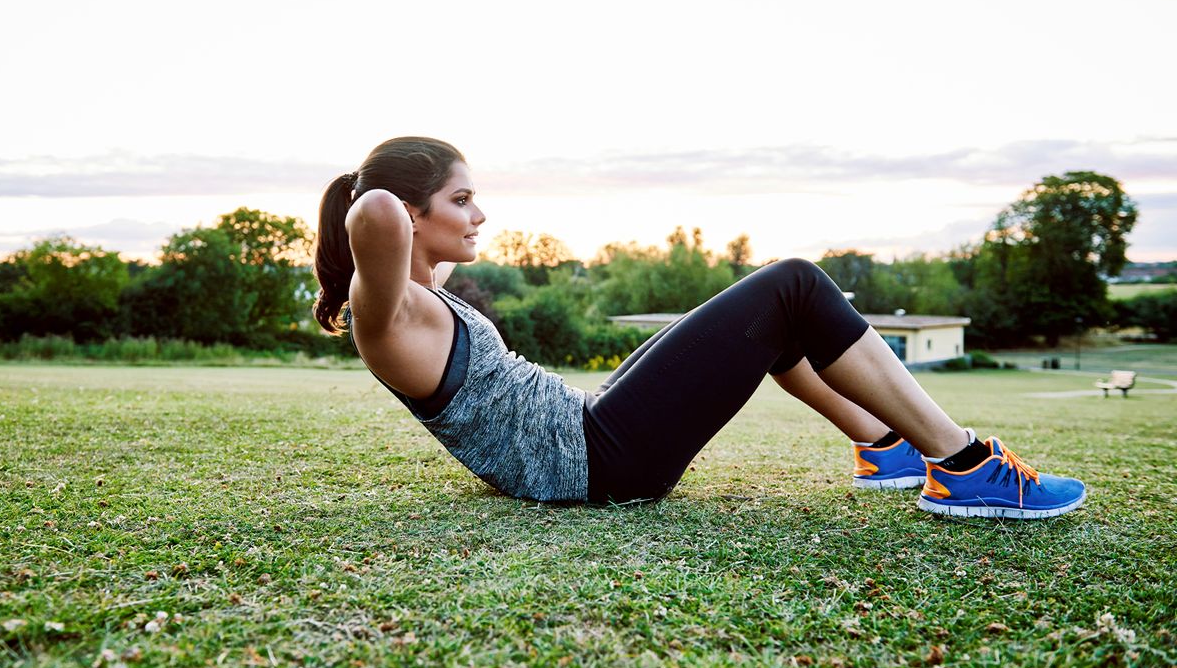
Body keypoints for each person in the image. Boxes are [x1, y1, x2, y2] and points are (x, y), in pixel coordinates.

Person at [313, 137, 1086, 520]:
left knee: (770, 322)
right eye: (461, 199)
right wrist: (373, 185)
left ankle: (884, 450)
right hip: (596, 464)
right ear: (410, 215)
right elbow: (374, 211)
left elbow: (396, 225)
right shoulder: (386, 315)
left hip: (587, 435)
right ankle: (964, 464)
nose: (480, 215)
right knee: (794, 283)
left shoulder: (421, 292)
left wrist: (418, 206)